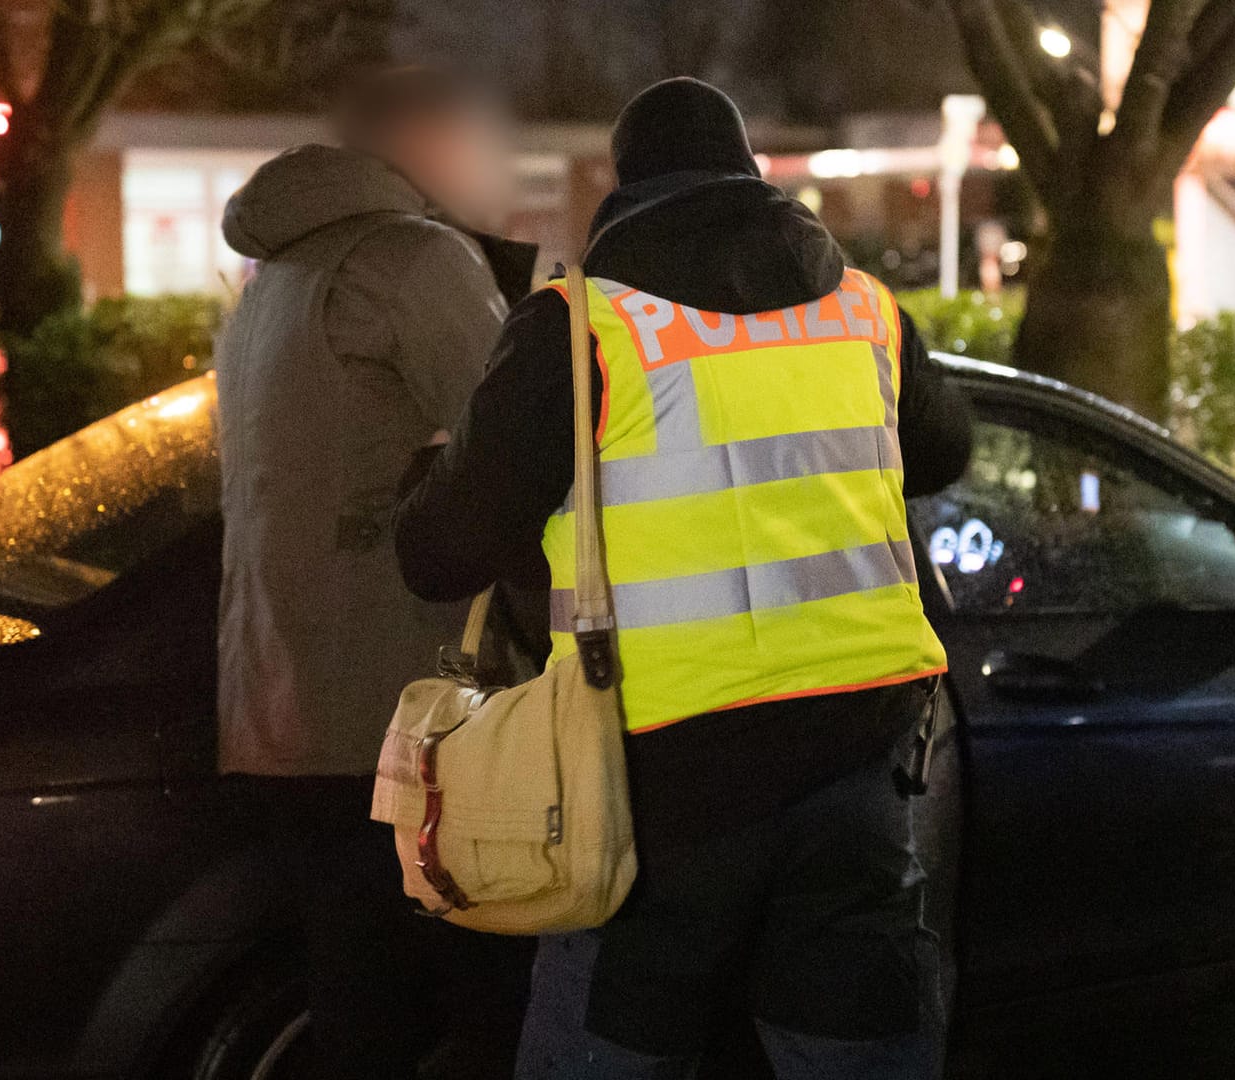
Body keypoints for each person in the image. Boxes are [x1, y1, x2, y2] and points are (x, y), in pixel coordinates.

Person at [393, 78, 974, 1080]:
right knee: (857, 1045)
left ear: (624, 189)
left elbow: (438, 552)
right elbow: (943, 450)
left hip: (661, 781)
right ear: (750, 175)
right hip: (861, 763)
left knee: (607, 1047)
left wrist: (438, 474)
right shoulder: (865, 314)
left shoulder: (579, 330)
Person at [213, 67, 540, 1079]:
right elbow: (515, 441)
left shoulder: (273, 286)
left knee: (355, 989)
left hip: (283, 701)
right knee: (481, 991)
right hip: (405, 702)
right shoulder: (411, 259)